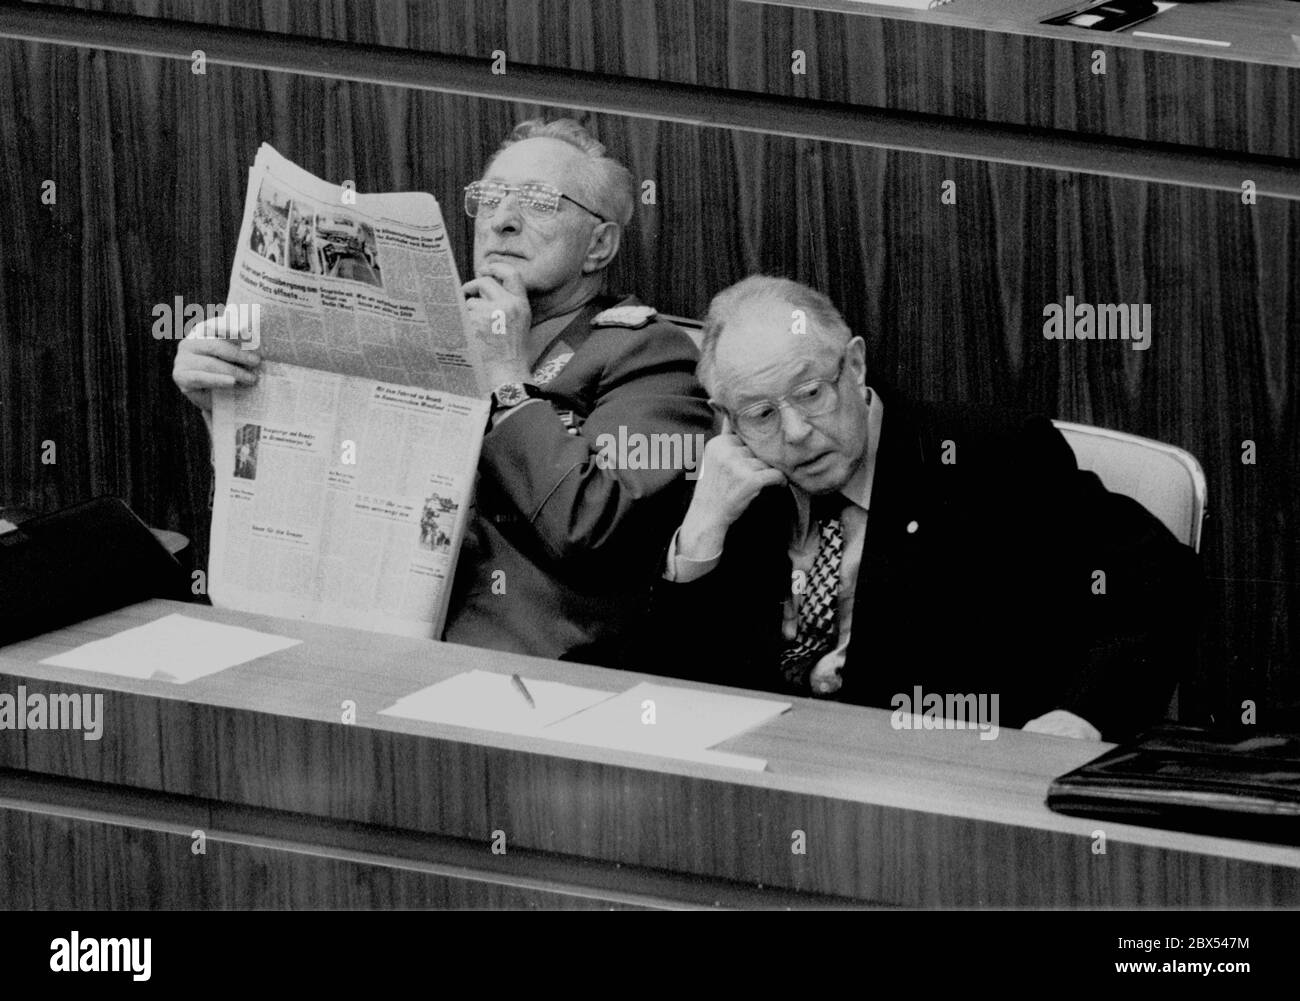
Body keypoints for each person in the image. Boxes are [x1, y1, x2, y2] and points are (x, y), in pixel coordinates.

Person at [173, 119, 711, 666]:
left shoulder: (651, 355)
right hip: (352, 638)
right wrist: (230, 399)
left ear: (599, 245)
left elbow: (596, 527)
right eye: (490, 199)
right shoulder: (423, 333)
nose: (501, 221)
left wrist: (507, 382)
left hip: (523, 677)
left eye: (538, 202)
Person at [637, 275, 1201, 742]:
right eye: (760, 414)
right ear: (727, 418)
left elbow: (1159, 588)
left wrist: (1079, 720)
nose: (796, 432)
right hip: (775, 775)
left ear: (854, 367)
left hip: (940, 779)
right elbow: (676, 685)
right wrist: (700, 535)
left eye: (811, 393)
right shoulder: (733, 486)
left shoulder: (993, 458)